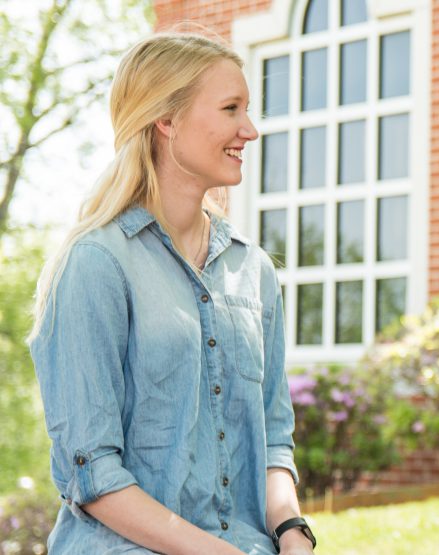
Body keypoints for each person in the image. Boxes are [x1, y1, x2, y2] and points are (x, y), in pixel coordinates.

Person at [29, 33, 315, 554]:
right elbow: (92, 474)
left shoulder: (253, 271)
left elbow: (273, 440)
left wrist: (293, 534)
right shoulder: (97, 265)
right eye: (231, 109)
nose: (249, 130)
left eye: (247, 110)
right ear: (167, 120)